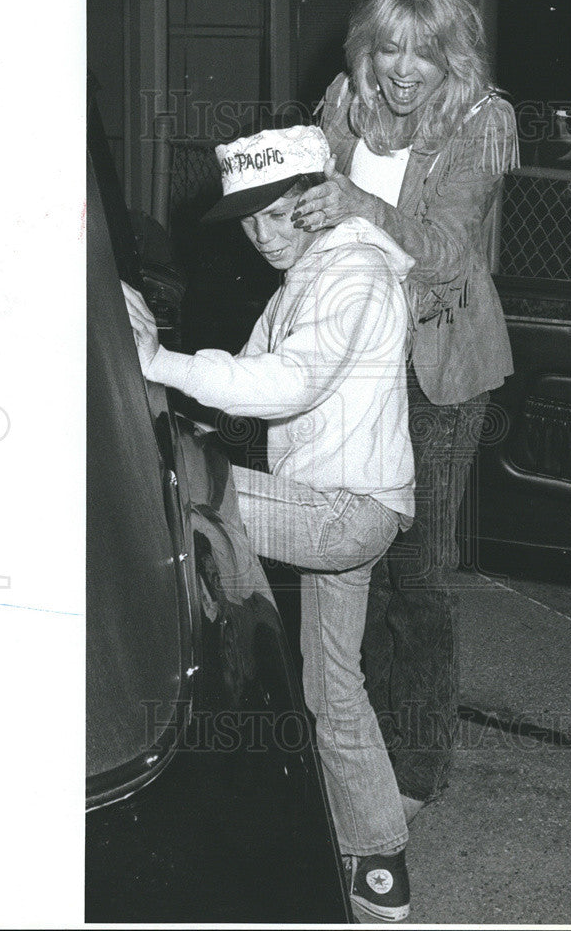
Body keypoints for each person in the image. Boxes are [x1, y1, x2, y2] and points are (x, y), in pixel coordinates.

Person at [122, 124, 416, 922]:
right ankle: (379, 860)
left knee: (173, 483)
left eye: (277, 213)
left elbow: (287, 383)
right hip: (334, 502)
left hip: (344, 515)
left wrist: (156, 366)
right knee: (333, 687)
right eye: (247, 221)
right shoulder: (304, 279)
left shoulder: (353, 273)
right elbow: (245, 377)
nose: (261, 235)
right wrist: (169, 365)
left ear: (315, 199)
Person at [290, 0, 520, 821]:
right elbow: (319, 229)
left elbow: (452, 252)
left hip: (440, 369)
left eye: (424, 52)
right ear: (366, 46)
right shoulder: (344, 106)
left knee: (418, 571)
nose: (401, 71)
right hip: (355, 362)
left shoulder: (481, 123)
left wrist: (353, 202)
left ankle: (417, 767)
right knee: (357, 557)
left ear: (453, 55)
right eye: (387, 47)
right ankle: (359, 747)